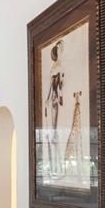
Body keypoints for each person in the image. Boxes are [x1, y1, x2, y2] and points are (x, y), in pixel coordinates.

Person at [44, 40, 65, 176]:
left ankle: (57, 168)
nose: (60, 51)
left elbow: (58, 86)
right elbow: (54, 87)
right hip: (54, 101)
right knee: (54, 133)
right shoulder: (56, 68)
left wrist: (56, 97)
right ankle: (55, 169)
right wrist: (51, 98)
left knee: (55, 133)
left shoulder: (58, 67)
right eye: (58, 49)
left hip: (55, 101)